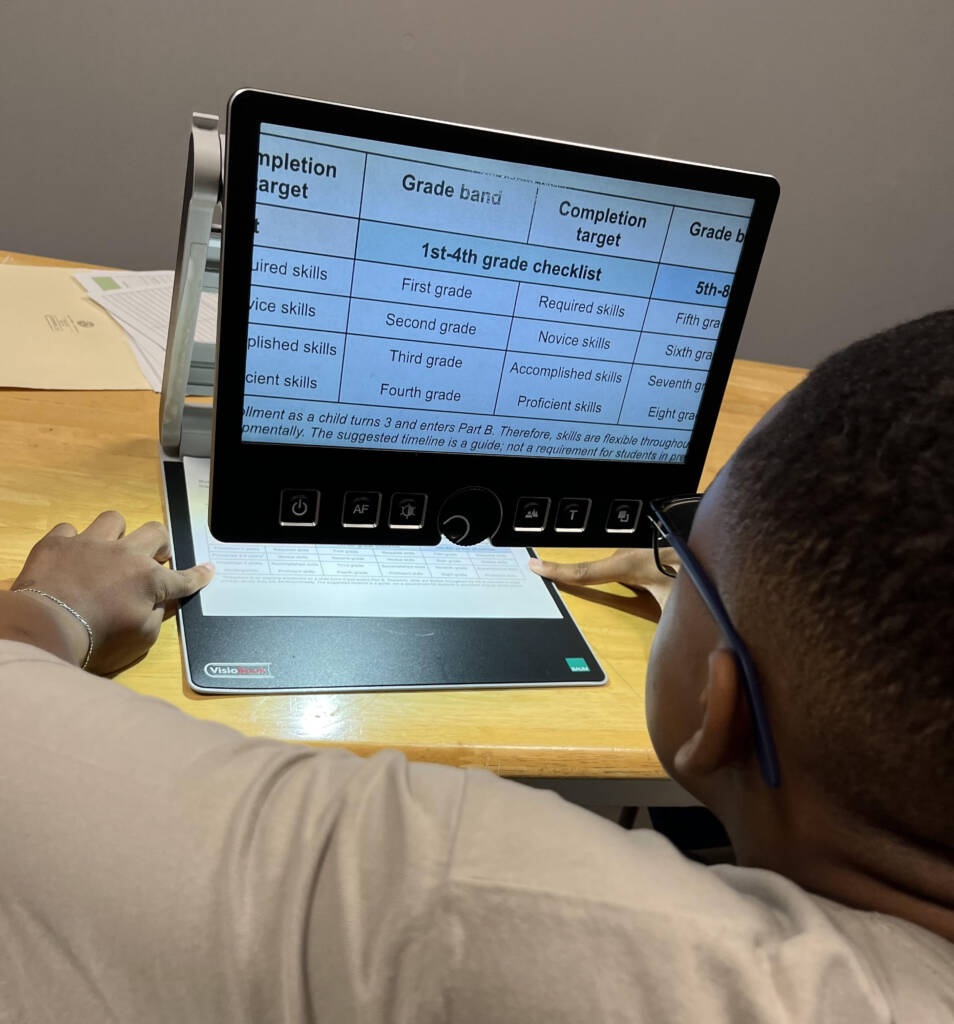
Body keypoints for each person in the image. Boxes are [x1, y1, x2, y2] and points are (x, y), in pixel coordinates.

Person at [1, 313, 953, 1022]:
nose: (667, 551)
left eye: (681, 540)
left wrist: (52, 609)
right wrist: (741, 580)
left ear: (721, 709)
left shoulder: (479, 909)